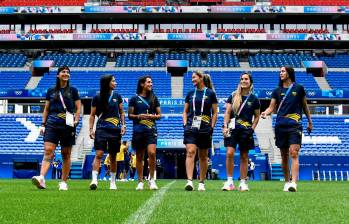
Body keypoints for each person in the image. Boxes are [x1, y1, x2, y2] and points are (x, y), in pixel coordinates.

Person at [261, 66, 313, 192]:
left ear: (289, 73)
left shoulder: (299, 88)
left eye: (283, 71)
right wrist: (265, 113)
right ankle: (286, 181)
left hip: (295, 125)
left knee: (294, 152)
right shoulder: (276, 91)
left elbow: (305, 106)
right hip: (280, 126)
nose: (281, 73)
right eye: (280, 71)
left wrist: (310, 122)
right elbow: (271, 107)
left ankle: (294, 183)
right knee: (284, 156)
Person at [32, 66, 81, 190]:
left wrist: (76, 119)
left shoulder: (73, 90)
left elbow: (78, 107)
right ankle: (42, 178)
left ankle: (64, 182)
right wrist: (43, 124)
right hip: (52, 123)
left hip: (68, 123)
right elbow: (47, 109)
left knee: (66, 154)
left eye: (68, 72)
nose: (66, 73)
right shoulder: (51, 91)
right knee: (48, 151)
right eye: (63, 72)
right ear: (58, 75)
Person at [221, 72, 260, 191]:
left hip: (246, 131)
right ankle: (229, 182)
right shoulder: (233, 96)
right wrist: (225, 126)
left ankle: (243, 182)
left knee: (244, 156)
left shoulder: (254, 99)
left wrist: (252, 129)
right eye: (242, 79)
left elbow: (257, 116)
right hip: (232, 129)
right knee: (229, 153)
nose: (243, 81)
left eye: (246, 79)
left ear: (250, 82)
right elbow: (227, 112)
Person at [89, 74, 126, 190]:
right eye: (113, 81)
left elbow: (122, 112)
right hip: (101, 129)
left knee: (113, 156)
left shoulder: (117, 96)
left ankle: (113, 182)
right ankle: (94, 180)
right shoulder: (97, 97)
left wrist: (124, 125)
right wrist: (91, 129)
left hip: (115, 130)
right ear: (107, 83)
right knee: (98, 154)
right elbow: (92, 115)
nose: (116, 83)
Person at [183, 71, 218, 191]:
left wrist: (212, 127)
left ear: (201, 78)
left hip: (205, 127)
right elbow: (185, 111)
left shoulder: (210, 93)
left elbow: (215, 113)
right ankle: (189, 181)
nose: (192, 79)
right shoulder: (189, 93)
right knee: (190, 152)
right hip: (191, 126)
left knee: (203, 156)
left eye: (194, 77)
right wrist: (184, 124)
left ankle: (201, 182)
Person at [128, 75, 161, 190]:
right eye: (148, 82)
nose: (151, 84)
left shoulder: (154, 98)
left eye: (151, 82)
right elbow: (129, 115)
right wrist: (138, 116)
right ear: (142, 84)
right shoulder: (134, 98)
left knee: (152, 153)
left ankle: (152, 180)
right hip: (138, 130)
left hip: (151, 130)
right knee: (139, 156)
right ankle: (140, 181)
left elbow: (159, 115)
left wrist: (152, 116)